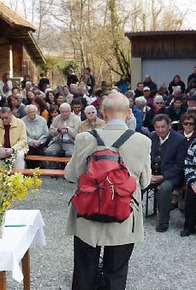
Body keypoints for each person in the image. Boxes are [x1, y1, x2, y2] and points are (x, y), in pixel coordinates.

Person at [64, 92, 151, 290]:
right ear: (129, 114)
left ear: (102, 112)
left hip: (88, 213)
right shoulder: (142, 141)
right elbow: (145, 182)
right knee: (116, 273)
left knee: (84, 271)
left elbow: (71, 175)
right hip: (124, 213)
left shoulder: (85, 138)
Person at [148, 114, 187, 232]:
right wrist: (148, 174)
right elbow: (146, 157)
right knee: (133, 183)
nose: (160, 130)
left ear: (169, 126)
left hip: (172, 175)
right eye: (157, 127)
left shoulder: (180, 140)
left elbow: (180, 165)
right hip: (152, 173)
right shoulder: (151, 136)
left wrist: (163, 176)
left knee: (164, 188)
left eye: (163, 127)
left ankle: (163, 222)